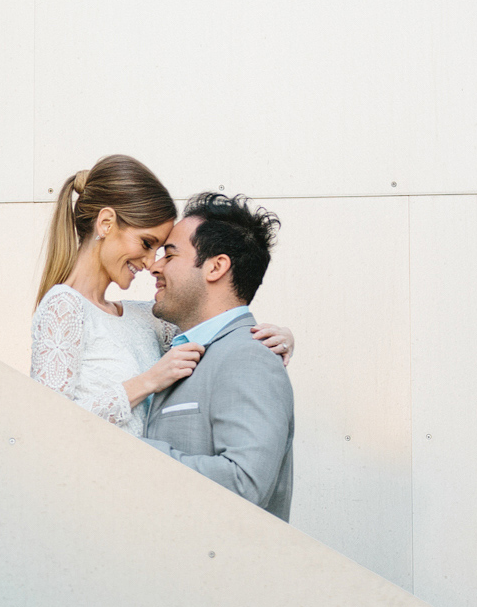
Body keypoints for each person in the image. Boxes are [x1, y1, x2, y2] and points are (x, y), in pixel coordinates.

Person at [29, 156, 293, 435]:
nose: (150, 262)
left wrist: (276, 339)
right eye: (146, 243)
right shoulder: (64, 305)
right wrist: (147, 382)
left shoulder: (147, 318)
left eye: (161, 251)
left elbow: (215, 330)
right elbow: (47, 422)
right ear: (106, 223)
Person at [141, 192, 295, 520]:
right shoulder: (176, 349)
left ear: (216, 267)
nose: (153, 266)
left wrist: (133, 454)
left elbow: (246, 482)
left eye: (169, 255)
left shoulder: (248, 358)